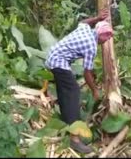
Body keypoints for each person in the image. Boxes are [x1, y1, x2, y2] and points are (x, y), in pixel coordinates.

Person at [44, 8, 113, 154]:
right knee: (74, 91)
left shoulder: (86, 29)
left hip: (53, 55)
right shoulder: (91, 46)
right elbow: (87, 73)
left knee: (64, 90)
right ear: (100, 36)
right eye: (105, 38)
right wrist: (95, 90)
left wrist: (97, 18)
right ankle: (74, 139)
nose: (105, 41)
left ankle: (65, 121)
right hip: (59, 61)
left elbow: (83, 22)